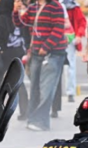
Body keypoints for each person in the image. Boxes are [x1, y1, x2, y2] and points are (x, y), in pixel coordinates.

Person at [13, 0, 68, 132]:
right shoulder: (34, 7)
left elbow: (58, 29)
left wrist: (46, 46)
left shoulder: (56, 6)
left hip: (53, 54)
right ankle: (32, 119)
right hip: (36, 53)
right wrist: (16, 11)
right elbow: (21, 23)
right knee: (35, 88)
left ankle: (41, 121)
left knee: (46, 89)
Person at [0, 0, 28, 120]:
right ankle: (25, 111)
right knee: (19, 83)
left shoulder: (3, 18)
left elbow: (0, 36)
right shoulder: (20, 17)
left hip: (5, 54)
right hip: (19, 52)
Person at [62, 0, 86, 104]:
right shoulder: (57, 5)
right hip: (56, 38)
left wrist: (78, 35)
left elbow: (82, 22)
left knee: (70, 67)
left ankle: (70, 92)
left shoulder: (75, 8)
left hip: (70, 40)